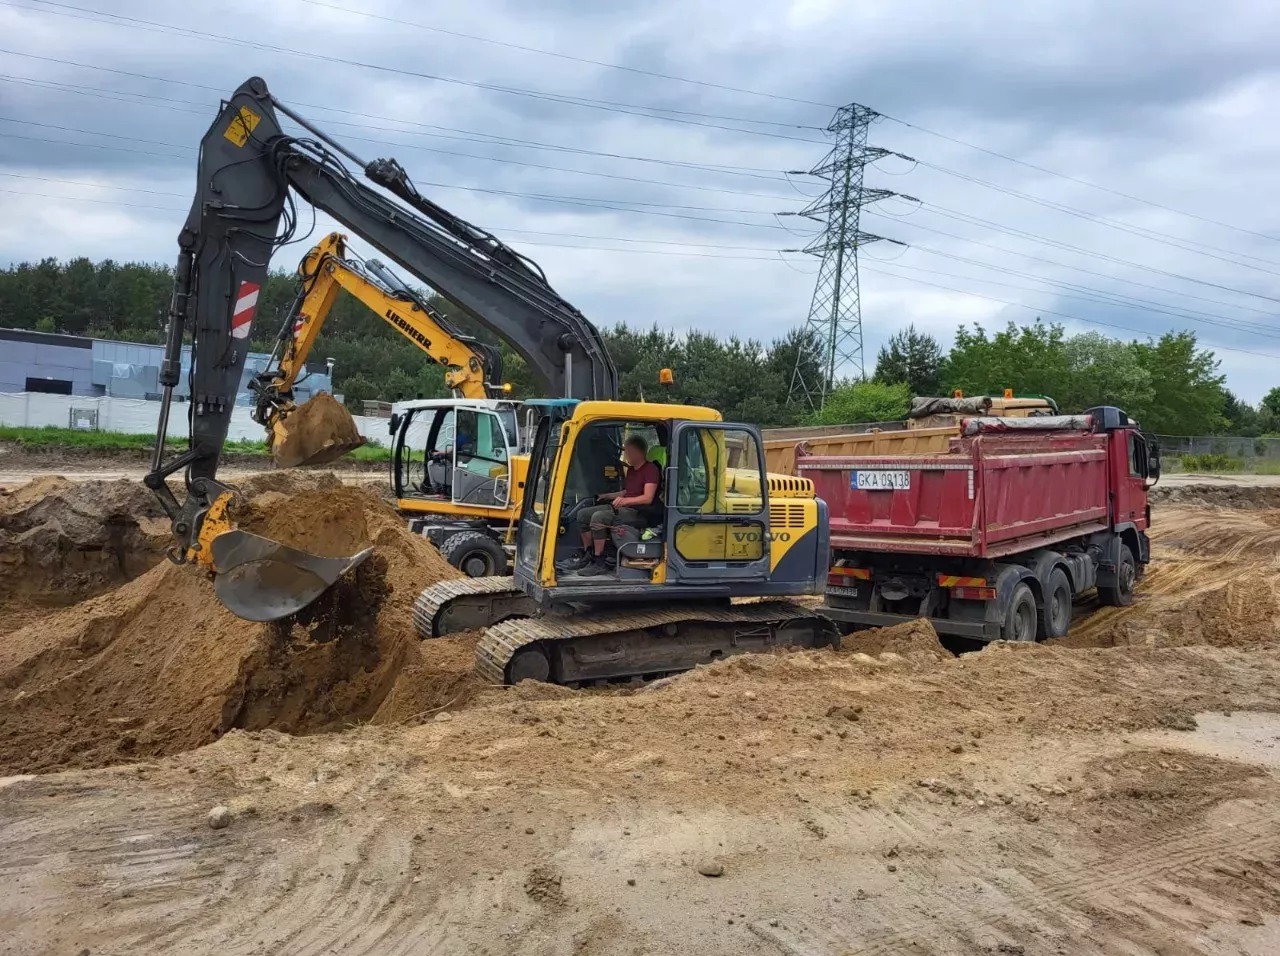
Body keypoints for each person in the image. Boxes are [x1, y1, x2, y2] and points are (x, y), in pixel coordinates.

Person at [562, 434, 661, 576]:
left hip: (639, 512)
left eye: (627, 451)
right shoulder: (632, 470)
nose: (625, 455)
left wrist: (625, 501)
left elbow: (647, 498)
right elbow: (628, 491)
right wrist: (608, 496)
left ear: (637, 452)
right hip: (623, 508)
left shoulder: (650, 470)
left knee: (599, 517)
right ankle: (588, 554)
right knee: (582, 514)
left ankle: (599, 561)